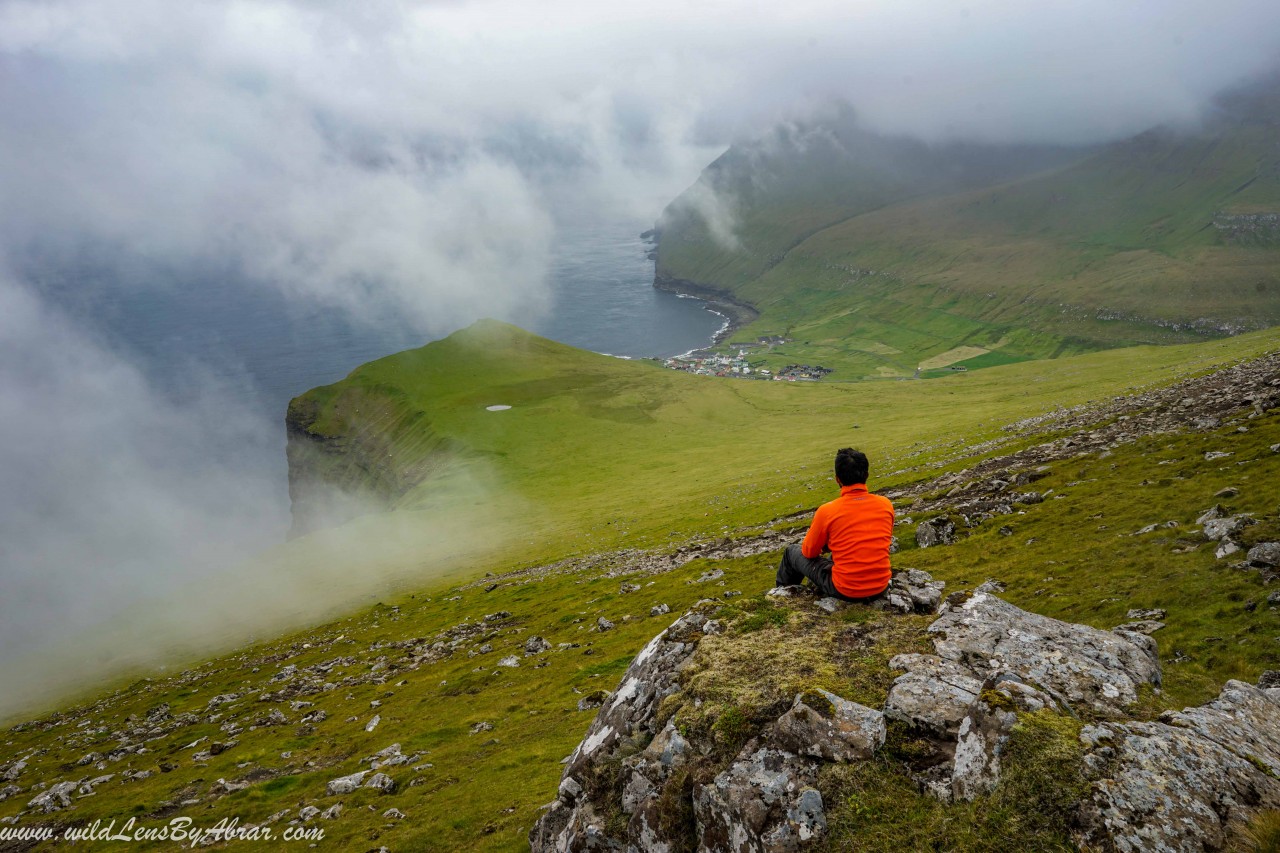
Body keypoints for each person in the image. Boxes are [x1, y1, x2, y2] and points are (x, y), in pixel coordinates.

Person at [775, 448, 894, 600]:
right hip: (880, 586)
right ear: (867, 475)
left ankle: (782, 598)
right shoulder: (885, 504)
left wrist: (827, 544)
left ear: (838, 479)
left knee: (791, 552)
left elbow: (808, 551)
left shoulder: (828, 511)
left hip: (845, 590)